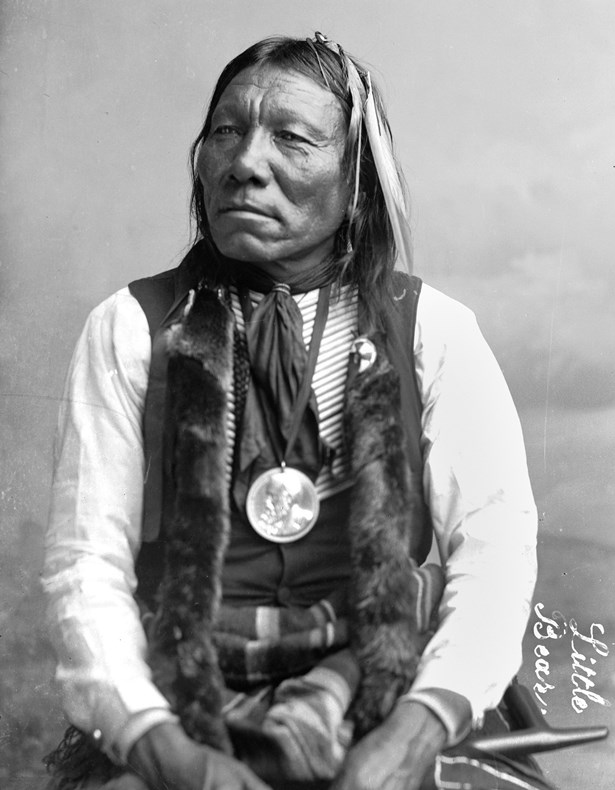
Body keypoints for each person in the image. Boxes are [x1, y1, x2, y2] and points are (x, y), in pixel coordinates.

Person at [43, 33, 554, 790]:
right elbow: (86, 565)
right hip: (182, 707)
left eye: (291, 137)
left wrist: (415, 735)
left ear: (356, 180)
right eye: (225, 130)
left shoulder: (433, 330)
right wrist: (159, 748)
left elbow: (495, 554)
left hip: (383, 695)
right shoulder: (130, 327)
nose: (244, 162)